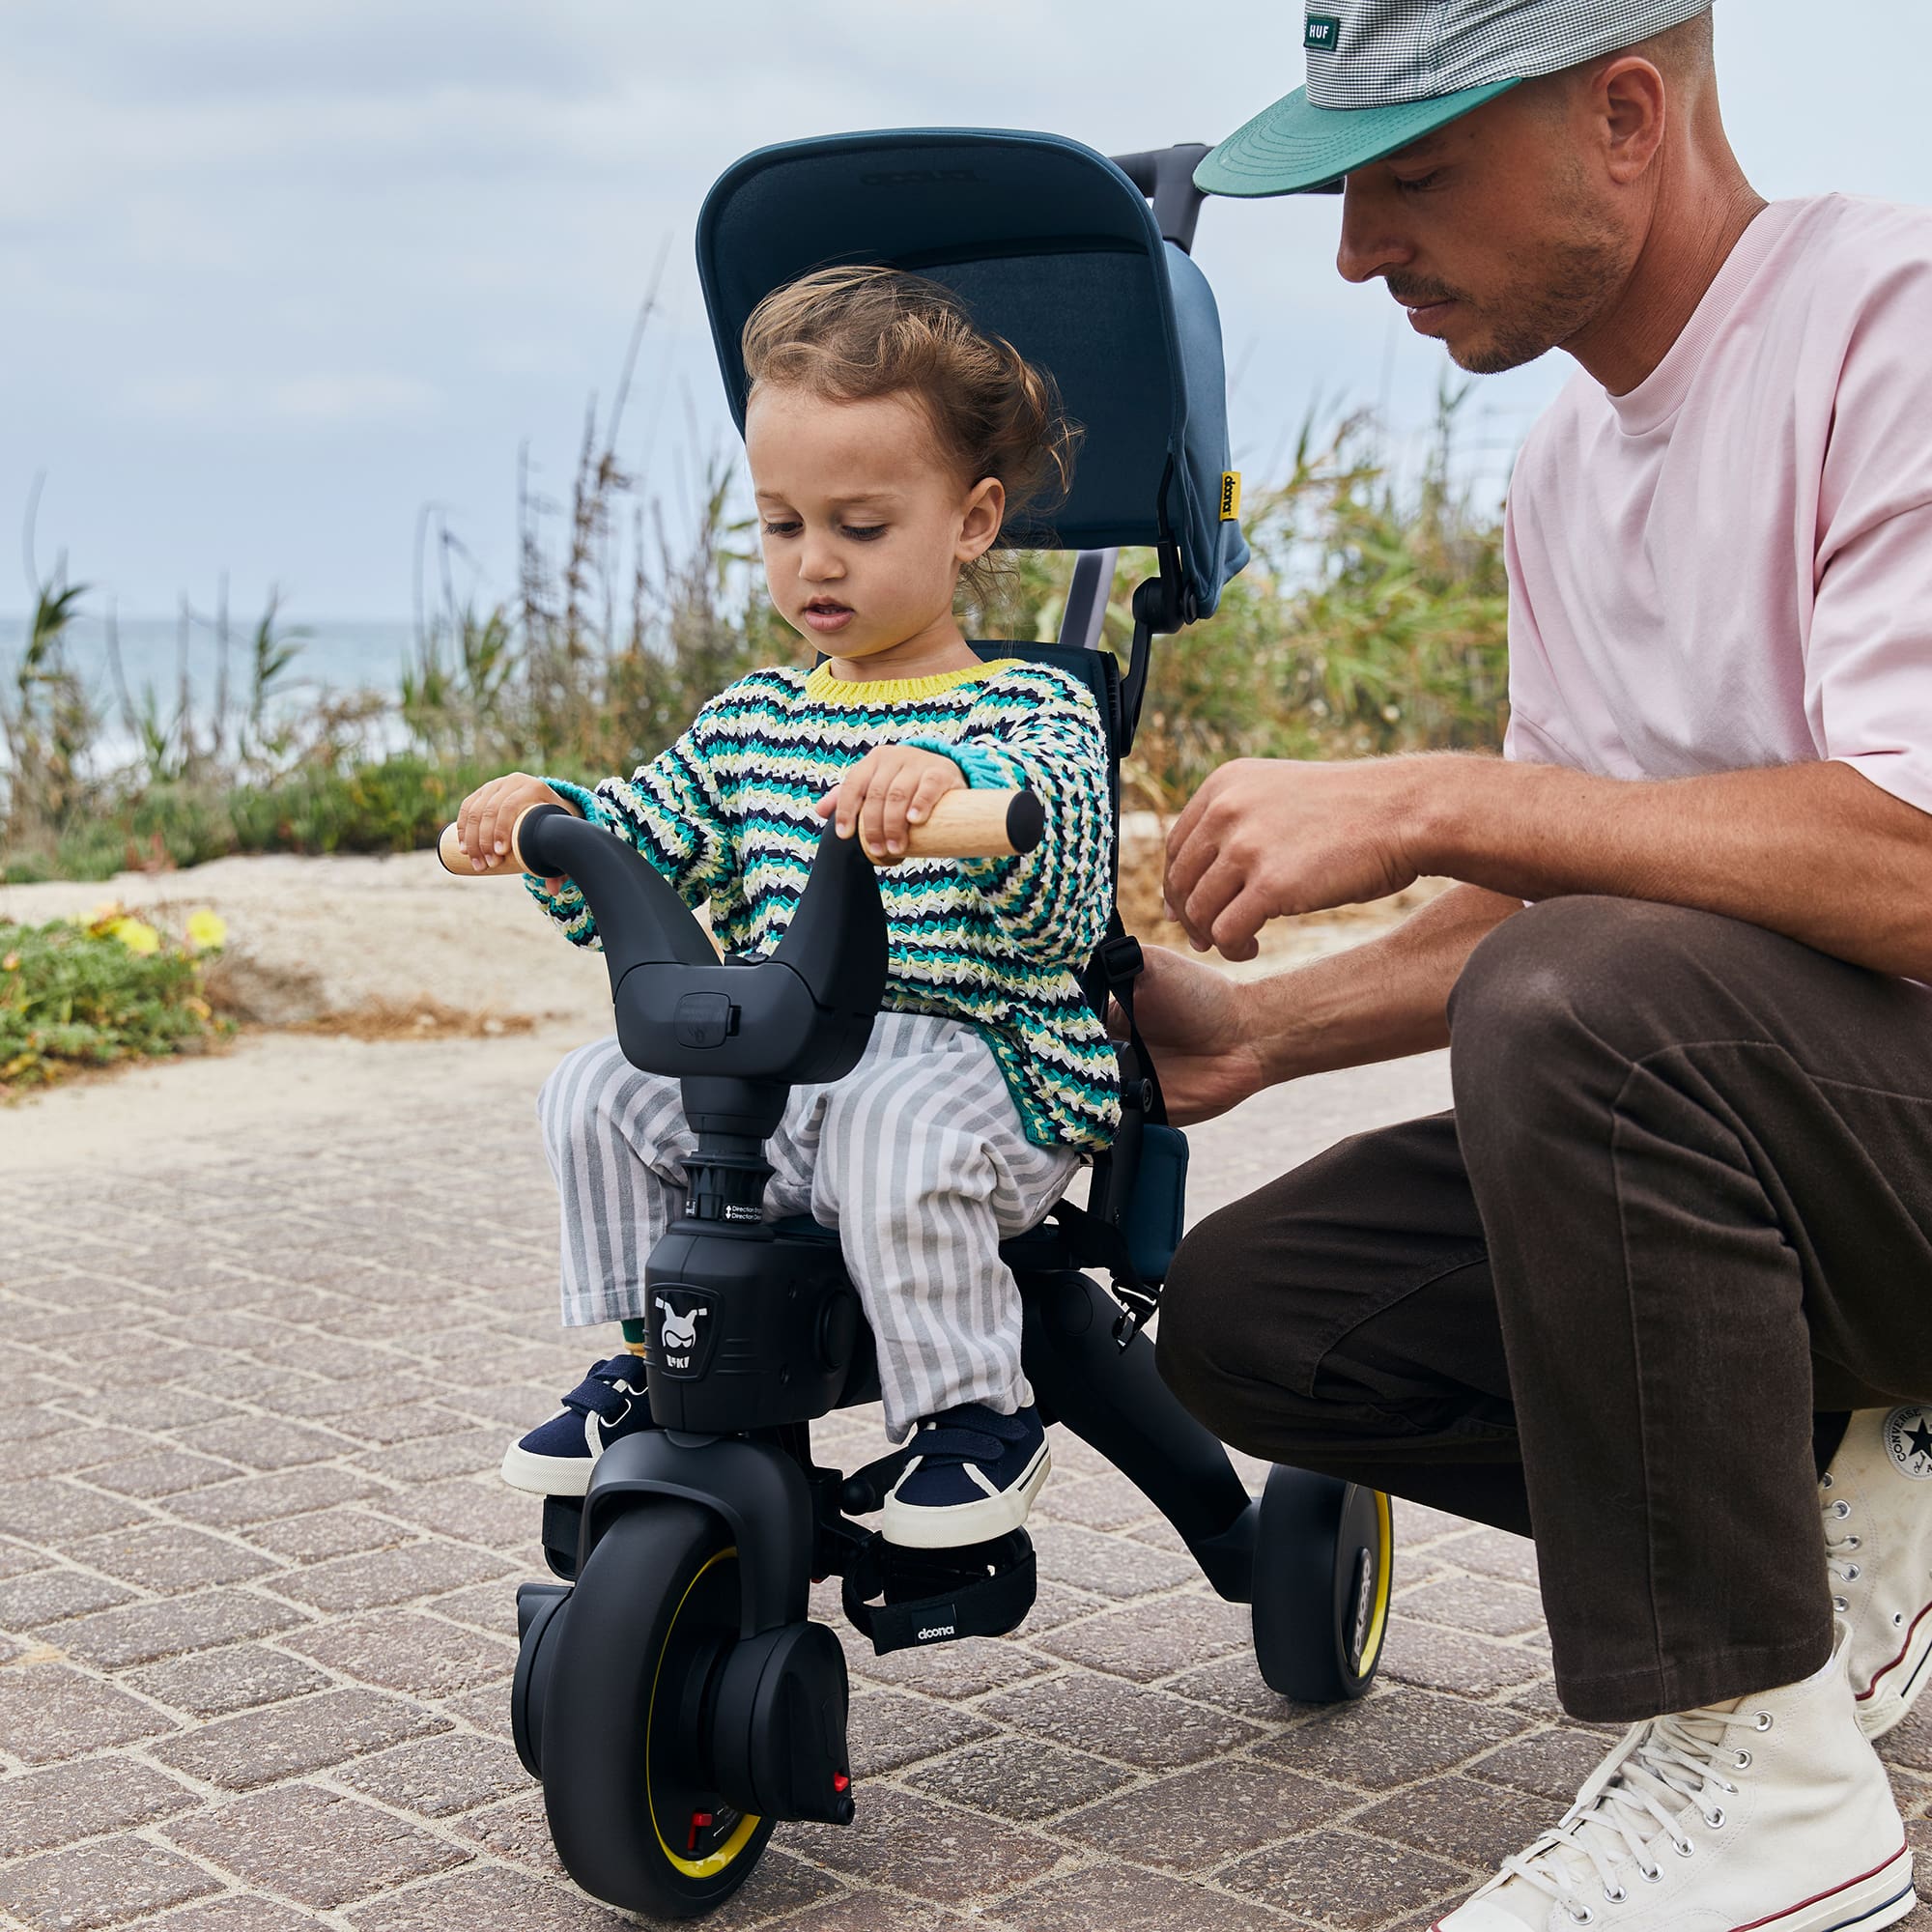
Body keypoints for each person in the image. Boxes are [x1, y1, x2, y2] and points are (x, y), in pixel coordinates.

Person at [1149, 2, 1932, 1924]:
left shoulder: (1891, 326)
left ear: (1625, 115)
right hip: (1813, 1139)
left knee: (1583, 1006)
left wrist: (1432, 797)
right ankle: (1862, 1477)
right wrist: (1253, 1031)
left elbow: (1914, 864)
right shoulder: (1568, 467)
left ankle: (1769, 1794)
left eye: (1412, 175)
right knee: (1254, 1315)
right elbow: (1559, 886)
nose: (1358, 250)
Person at [453, 266, 1117, 1550]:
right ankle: (653, 1353)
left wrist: (962, 790)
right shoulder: (755, 720)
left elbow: (1063, 897)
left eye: (860, 526)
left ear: (972, 520)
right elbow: (648, 837)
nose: (815, 561)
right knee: (597, 1091)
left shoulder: (1027, 711)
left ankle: (974, 1416)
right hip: (792, 1065)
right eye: (779, 523)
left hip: (986, 1069)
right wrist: (552, 821)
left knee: (887, 1124)